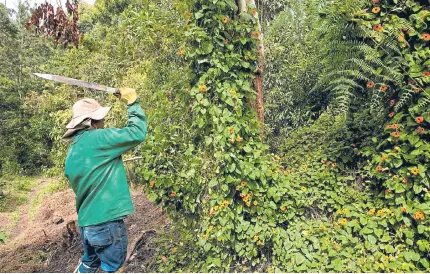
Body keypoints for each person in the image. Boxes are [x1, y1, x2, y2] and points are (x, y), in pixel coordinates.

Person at [63, 88, 147, 273]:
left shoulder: (73, 151)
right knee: (114, 269)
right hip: (106, 223)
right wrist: (132, 104)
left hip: (86, 225)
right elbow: (137, 133)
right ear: (92, 121)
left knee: (89, 265)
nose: (104, 120)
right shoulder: (99, 139)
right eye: (101, 116)